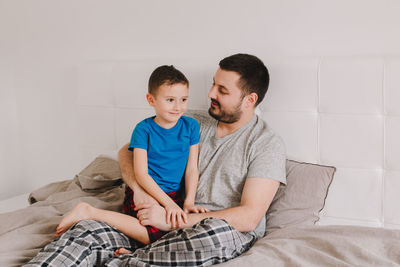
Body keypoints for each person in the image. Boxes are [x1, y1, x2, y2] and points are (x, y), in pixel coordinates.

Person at [24, 53, 286, 266]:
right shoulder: (189, 120)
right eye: (212, 84)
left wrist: (173, 220)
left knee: (216, 237)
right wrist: (141, 190)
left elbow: (250, 217)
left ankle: (128, 261)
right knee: (87, 229)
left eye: (222, 90)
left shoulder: (266, 144)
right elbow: (126, 152)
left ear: (250, 99)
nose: (210, 94)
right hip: (158, 215)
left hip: (205, 231)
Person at [54, 65, 208, 249]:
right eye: (170, 100)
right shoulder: (144, 130)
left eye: (183, 99)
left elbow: (192, 168)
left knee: (179, 231)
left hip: (174, 195)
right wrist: (167, 204)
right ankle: (89, 211)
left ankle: (132, 248)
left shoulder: (190, 126)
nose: (178, 106)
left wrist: (188, 201)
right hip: (146, 191)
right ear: (151, 100)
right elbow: (141, 174)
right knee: (153, 231)